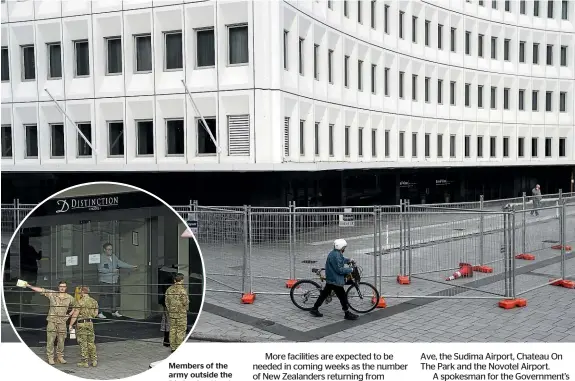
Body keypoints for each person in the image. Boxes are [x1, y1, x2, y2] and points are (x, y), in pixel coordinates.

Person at [24, 280, 74, 365]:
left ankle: (60, 357)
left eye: (64, 286)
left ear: (66, 288)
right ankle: (50, 357)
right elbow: (41, 290)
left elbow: (77, 306)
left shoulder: (69, 298)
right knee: (50, 340)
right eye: (61, 286)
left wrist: (69, 315)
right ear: (59, 287)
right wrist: (29, 285)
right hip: (52, 321)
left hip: (62, 322)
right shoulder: (52, 294)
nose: (62, 288)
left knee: (61, 340)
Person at [309, 239, 359, 321]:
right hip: (334, 280)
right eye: (344, 247)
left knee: (324, 294)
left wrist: (349, 260)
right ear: (341, 247)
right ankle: (347, 313)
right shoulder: (335, 255)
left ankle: (314, 309)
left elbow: (341, 260)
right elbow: (339, 270)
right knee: (342, 296)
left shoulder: (336, 253)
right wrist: (350, 270)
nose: (344, 248)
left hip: (332, 279)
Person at [96, 242, 137, 318]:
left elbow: (120, 263)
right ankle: (99, 312)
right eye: (108, 249)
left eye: (111, 249)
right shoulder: (101, 258)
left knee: (113, 297)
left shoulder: (114, 257)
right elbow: (100, 269)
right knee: (104, 297)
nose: (110, 251)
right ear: (104, 250)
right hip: (105, 281)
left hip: (113, 281)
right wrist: (112, 270)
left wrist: (131, 266)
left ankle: (114, 311)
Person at [69, 285, 99, 368]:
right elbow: (95, 313)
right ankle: (94, 360)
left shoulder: (80, 302)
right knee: (91, 342)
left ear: (82, 292)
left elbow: (75, 314)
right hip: (90, 323)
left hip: (81, 324)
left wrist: (71, 324)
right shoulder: (94, 301)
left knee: (83, 343)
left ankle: (85, 361)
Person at [165, 273, 189, 353]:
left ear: (174, 280)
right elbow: (185, 302)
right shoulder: (182, 290)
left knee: (172, 330)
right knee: (181, 330)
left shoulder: (169, 289)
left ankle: (173, 347)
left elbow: (166, 302)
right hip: (181, 314)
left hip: (172, 313)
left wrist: (170, 310)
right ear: (182, 280)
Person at [19, 235, 42, 305]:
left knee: (23, 285)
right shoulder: (29, 248)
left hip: (23, 271)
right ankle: (27, 301)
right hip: (31, 271)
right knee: (30, 285)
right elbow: (38, 257)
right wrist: (41, 250)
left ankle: (23, 300)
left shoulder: (19, 248)